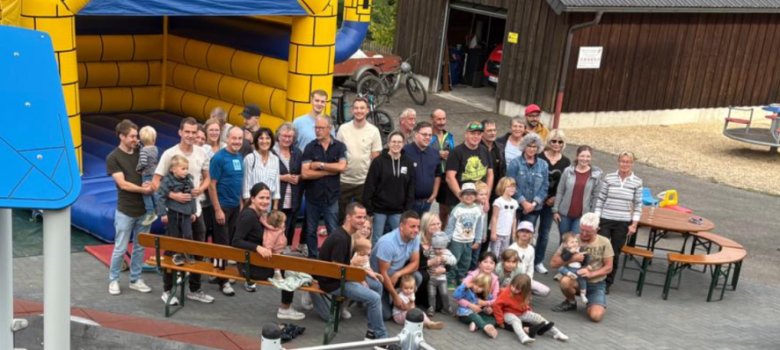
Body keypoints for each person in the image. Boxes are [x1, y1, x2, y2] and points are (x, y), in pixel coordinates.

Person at [153, 117, 214, 303]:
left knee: (197, 248)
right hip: (175, 211)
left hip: (195, 209)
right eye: (187, 132)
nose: (190, 135)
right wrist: (173, 196)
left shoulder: (202, 153)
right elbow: (156, 182)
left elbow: (207, 178)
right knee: (172, 249)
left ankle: (194, 289)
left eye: (193, 132)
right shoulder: (169, 154)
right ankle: (167, 289)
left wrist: (201, 189)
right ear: (180, 132)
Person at [309, 202, 388, 341]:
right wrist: (359, 278)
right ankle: (382, 338)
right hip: (334, 283)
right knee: (374, 299)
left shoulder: (345, 234)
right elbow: (337, 270)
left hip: (341, 278)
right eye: (358, 217)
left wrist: (365, 272)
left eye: (364, 217)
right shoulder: (340, 238)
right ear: (348, 217)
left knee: (377, 285)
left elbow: (344, 268)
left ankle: (371, 331)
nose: (362, 221)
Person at [232, 183, 306, 320]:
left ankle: (303, 299)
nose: (265, 201)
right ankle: (285, 308)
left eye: (268, 198)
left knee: (289, 265)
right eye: (261, 198)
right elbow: (236, 241)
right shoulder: (249, 216)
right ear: (252, 198)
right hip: (250, 268)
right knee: (289, 270)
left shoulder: (258, 214)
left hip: (254, 262)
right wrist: (258, 247)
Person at [106, 119, 153, 296]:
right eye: (132, 136)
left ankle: (135, 279)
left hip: (145, 210)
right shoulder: (113, 158)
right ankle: (113, 279)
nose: (136, 139)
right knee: (120, 247)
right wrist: (143, 189)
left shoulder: (142, 151)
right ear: (122, 136)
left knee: (140, 247)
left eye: (137, 136)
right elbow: (123, 184)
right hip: (126, 209)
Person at [550, 213, 613, 322]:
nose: (583, 234)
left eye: (588, 232)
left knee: (596, 317)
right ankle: (570, 302)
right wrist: (572, 259)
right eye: (582, 229)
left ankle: (591, 301)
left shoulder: (604, 242)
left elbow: (609, 267)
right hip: (576, 280)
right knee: (565, 281)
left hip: (596, 284)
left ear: (597, 229)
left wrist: (591, 274)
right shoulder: (571, 240)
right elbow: (553, 263)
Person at [593, 151, 642, 290]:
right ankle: (595, 277)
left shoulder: (637, 182)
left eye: (628, 162)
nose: (624, 164)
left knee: (614, 252)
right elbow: (601, 199)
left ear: (632, 164)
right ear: (618, 162)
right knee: (599, 250)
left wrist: (634, 224)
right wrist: (597, 219)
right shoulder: (609, 178)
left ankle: (607, 282)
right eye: (622, 161)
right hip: (606, 219)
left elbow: (638, 204)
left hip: (623, 222)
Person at [301, 116, 347, 257]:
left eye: (321, 128)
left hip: (331, 197)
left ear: (330, 129)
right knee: (310, 230)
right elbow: (305, 173)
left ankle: (331, 258)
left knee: (333, 230)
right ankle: (313, 258)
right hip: (312, 197)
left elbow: (342, 167)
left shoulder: (339, 146)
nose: (317, 131)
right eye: (316, 128)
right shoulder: (310, 147)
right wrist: (329, 171)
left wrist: (320, 165)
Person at [208, 126, 246, 296]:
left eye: (240, 139)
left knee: (229, 241)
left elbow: (237, 181)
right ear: (227, 138)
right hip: (222, 206)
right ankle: (223, 281)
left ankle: (218, 272)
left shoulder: (239, 156)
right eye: (234, 138)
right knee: (222, 243)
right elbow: (211, 184)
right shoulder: (218, 158)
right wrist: (217, 209)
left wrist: (240, 203)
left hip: (235, 206)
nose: (237, 142)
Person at [369, 210, 422, 321]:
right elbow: (383, 272)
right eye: (412, 226)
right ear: (402, 226)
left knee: (417, 276)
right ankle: (370, 300)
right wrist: (395, 296)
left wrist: (398, 274)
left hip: (394, 275)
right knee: (385, 315)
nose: (416, 230)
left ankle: (401, 301)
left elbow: (415, 263)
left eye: (418, 227)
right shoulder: (387, 243)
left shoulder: (415, 238)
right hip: (379, 279)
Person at [336, 96, 382, 222]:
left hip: (364, 182)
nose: (359, 111)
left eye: (362, 108)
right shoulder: (343, 129)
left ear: (367, 110)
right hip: (343, 181)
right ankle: (342, 241)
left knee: (361, 220)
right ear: (352, 110)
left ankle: (359, 242)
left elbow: (376, 157)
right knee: (342, 218)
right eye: (356, 108)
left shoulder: (374, 131)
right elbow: (337, 153)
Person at [363, 131, 415, 242]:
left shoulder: (408, 162)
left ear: (404, 143)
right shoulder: (378, 162)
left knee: (399, 238)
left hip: (398, 211)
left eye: (399, 142)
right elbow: (370, 185)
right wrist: (369, 209)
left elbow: (411, 187)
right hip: (379, 210)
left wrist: (407, 209)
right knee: (377, 238)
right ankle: (375, 259)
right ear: (388, 143)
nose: (396, 144)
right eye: (394, 141)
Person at [535, 129, 571, 274]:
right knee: (528, 231)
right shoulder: (539, 157)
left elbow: (566, 184)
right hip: (535, 200)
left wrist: (556, 198)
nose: (556, 144)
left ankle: (538, 261)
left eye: (560, 141)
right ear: (548, 142)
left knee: (544, 233)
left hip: (551, 203)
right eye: (554, 141)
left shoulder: (566, 162)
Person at [494, 274, 568, 344]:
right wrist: (500, 321)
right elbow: (497, 305)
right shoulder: (506, 293)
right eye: (513, 286)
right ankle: (523, 337)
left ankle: (557, 332)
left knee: (538, 317)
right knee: (515, 321)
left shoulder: (525, 294)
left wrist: (529, 311)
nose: (513, 289)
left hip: (521, 312)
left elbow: (524, 304)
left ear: (524, 290)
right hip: (507, 313)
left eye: (517, 289)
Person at [444, 121, 494, 217]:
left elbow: (490, 174)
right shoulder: (456, 152)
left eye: (479, 134)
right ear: (466, 134)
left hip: (480, 201)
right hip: (459, 202)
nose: (476, 136)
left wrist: (486, 198)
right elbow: (450, 177)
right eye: (472, 133)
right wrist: (462, 198)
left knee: (478, 230)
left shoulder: (485, 150)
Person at [156, 155, 198, 266]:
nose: (185, 171)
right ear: (173, 169)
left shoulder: (188, 180)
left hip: (186, 213)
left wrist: (193, 211)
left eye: (186, 168)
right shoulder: (167, 181)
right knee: (174, 235)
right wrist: (163, 214)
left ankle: (188, 254)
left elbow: (192, 196)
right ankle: (177, 255)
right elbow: (160, 196)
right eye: (183, 169)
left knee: (188, 234)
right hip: (173, 212)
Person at [553, 145, 602, 235]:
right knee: (564, 241)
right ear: (577, 156)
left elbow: (596, 196)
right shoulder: (568, 171)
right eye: (582, 156)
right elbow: (560, 191)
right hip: (564, 214)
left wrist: (592, 215)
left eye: (588, 156)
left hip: (582, 216)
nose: (585, 159)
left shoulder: (595, 175)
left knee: (575, 241)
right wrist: (555, 210)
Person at [444, 182, 484, 287]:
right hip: (457, 240)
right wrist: (447, 240)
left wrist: (478, 240)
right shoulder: (457, 209)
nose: (469, 196)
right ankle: (449, 279)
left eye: (472, 194)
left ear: (475, 196)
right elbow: (450, 226)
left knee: (466, 261)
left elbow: (479, 226)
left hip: (469, 240)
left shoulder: (477, 209)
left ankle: (460, 279)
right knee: (453, 261)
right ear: (461, 196)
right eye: (466, 194)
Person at [273, 123, 305, 255]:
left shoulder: (297, 152)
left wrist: (299, 177)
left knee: (290, 225)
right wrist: (282, 178)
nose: (287, 139)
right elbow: (263, 174)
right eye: (284, 136)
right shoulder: (271, 151)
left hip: (293, 198)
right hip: (276, 198)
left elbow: (303, 172)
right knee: (275, 226)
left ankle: (287, 253)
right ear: (278, 136)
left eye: (290, 137)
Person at [506, 133, 548, 225]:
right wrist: (524, 202)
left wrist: (533, 204)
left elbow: (545, 187)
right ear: (524, 146)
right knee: (512, 235)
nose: (532, 149)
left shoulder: (543, 165)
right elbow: (510, 184)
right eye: (529, 146)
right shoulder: (515, 163)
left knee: (526, 236)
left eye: (534, 147)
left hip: (534, 208)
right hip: (515, 206)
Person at [403, 121, 441, 215]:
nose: (427, 137)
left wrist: (434, 193)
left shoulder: (435, 153)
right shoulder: (404, 152)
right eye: (424, 134)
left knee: (423, 229)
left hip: (427, 203)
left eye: (430, 135)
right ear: (416, 134)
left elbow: (437, 174)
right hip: (408, 203)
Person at [507, 221, 551, 296]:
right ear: (518, 233)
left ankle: (524, 291)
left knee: (545, 291)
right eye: (522, 231)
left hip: (525, 279)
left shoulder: (531, 249)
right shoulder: (512, 248)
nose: (524, 233)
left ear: (531, 235)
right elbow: (508, 269)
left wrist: (528, 280)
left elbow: (530, 268)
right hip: (512, 279)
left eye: (527, 232)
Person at [243, 127, 281, 209]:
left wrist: (275, 207)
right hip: (253, 204)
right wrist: (249, 208)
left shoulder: (275, 159)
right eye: (261, 138)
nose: (264, 141)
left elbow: (276, 184)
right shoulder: (250, 158)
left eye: (267, 138)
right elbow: (245, 187)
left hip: (268, 204)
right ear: (256, 140)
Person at [429, 109, 455, 223]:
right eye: (439, 119)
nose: (442, 122)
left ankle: (440, 233)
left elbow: (453, 152)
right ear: (432, 119)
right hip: (430, 175)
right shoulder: (427, 135)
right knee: (426, 206)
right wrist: (437, 154)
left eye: (444, 119)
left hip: (445, 175)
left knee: (444, 209)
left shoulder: (449, 136)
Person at [452, 273, 498, 339]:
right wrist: (463, 286)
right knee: (474, 316)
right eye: (476, 284)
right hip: (465, 314)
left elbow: (491, 302)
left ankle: (476, 324)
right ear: (473, 282)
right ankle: (485, 326)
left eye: (481, 287)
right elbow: (456, 296)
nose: (477, 288)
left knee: (492, 319)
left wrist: (487, 308)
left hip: (478, 313)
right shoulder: (467, 290)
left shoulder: (485, 294)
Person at [414, 212, 442, 311]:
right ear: (425, 225)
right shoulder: (417, 241)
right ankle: (416, 300)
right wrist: (430, 262)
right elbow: (413, 264)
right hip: (418, 271)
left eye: (438, 223)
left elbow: (448, 260)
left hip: (434, 274)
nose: (437, 226)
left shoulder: (441, 239)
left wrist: (443, 269)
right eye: (433, 224)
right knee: (425, 275)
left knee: (438, 306)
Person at [425, 232, 455, 316]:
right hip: (431, 278)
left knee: (444, 293)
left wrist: (446, 260)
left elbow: (454, 261)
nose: (437, 250)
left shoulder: (447, 253)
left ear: (444, 247)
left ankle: (447, 307)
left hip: (442, 279)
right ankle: (431, 308)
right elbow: (424, 255)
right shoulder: (431, 251)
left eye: (440, 248)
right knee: (431, 294)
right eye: (435, 248)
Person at [136, 125, 159, 225]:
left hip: (146, 173)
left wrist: (138, 169)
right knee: (154, 191)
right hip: (154, 172)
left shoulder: (143, 151)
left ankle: (150, 212)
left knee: (146, 192)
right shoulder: (154, 148)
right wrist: (140, 147)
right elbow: (146, 152)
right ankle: (159, 208)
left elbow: (143, 162)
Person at [557, 232, 590, 304]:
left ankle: (583, 294)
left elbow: (586, 260)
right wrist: (571, 253)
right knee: (560, 268)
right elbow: (563, 259)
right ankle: (569, 274)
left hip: (578, 269)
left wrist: (585, 267)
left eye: (576, 241)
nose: (575, 243)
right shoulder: (566, 251)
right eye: (572, 242)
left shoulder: (581, 249)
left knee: (582, 279)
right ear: (566, 244)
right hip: (569, 269)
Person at [490, 177, 518, 255]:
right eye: (509, 187)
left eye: (514, 187)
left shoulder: (514, 202)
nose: (512, 189)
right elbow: (494, 217)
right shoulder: (498, 201)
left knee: (503, 254)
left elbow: (514, 218)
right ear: (502, 187)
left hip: (507, 234)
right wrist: (493, 232)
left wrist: (513, 232)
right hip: (498, 233)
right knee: (494, 253)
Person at [469, 181, 491, 270]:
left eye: (485, 194)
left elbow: (484, 221)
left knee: (476, 256)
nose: (484, 196)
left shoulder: (483, 206)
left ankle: (473, 272)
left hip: (480, 236)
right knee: (468, 256)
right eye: (481, 194)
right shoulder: (472, 207)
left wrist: (484, 234)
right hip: (471, 236)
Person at [260, 210, 287, 280]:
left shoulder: (279, 229)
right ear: (277, 223)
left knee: (281, 260)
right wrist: (268, 249)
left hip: (280, 248)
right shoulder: (272, 232)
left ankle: (280, 271)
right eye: (283, 222)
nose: (284, 223)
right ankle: (277, 273)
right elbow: (268, 241)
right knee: (277, 263)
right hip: (275, 251)